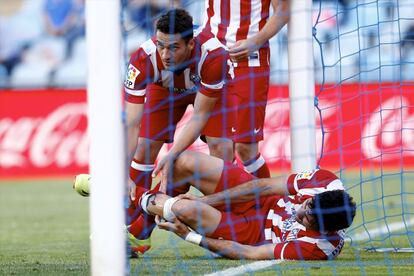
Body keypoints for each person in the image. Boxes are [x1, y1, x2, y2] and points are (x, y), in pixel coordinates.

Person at [124, 9, 234, 254]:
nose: (165, 54)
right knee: (144, 147)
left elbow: (199, 117)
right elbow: (131, 124)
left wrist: (172, 154)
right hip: (164, 91)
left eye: (173, 48)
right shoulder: (142, 59)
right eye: (161, 45)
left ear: (191, 43)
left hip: (207, 93)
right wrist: (122, 173)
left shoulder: (214, 56)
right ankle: (133, 227)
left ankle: (225, 228)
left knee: (222, 148)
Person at [153, 0, 291, 185]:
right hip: (211, 57)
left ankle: (273, 203)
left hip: (248, 60)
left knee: (245, 148)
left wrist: (255, 41)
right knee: (218, 147)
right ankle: (227, 209)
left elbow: (284, 10)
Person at [133, 151, 356, 260]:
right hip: (260, 199)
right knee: (183, 162)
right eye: (306, 204)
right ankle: (141, 223)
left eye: (307, 220)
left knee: (181, 209)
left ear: (327, 229)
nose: (299, 212)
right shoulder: (326, 182)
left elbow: (250, 252)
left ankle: (125, 194)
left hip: (249, 232)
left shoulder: (319, 248)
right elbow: (264, 187)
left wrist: (188, 236)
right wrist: (205, 200)